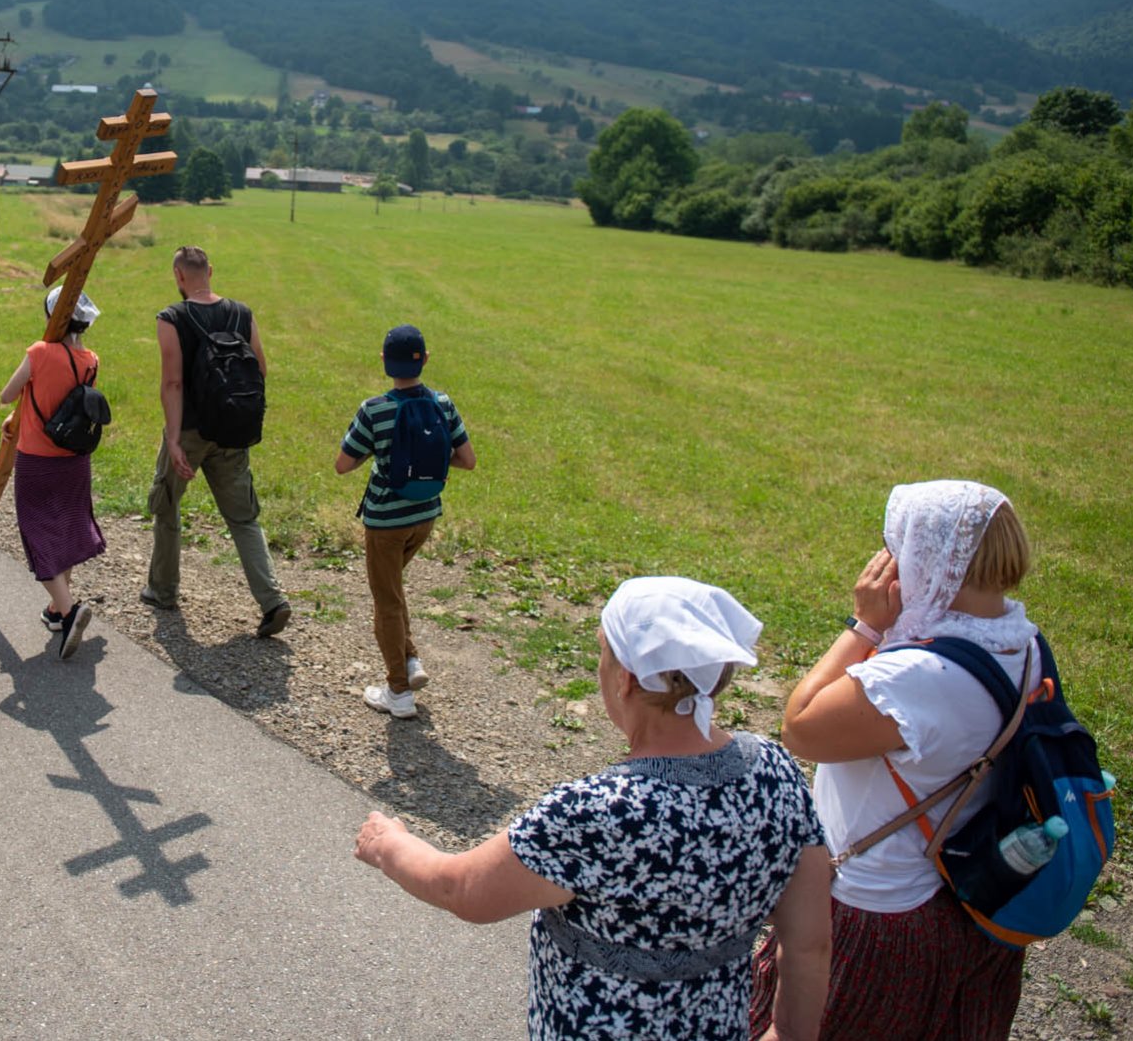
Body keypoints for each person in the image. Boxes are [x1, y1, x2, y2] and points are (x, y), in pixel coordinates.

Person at [354, 576, 831, 1041]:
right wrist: (788, 1031)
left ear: (625, 679)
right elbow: (809, 940)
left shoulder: (597, 813)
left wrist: (389, 845)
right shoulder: (774, 771)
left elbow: (463, 890)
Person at [752, 481, 1041, 1041]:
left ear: (923, 560)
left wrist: (865, 625)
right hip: (963, 895)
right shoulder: (1021, 642)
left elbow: (800, 726)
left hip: (878, 911)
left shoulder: (914, 679)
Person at [144, 245, 290, 638]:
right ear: (210, 270)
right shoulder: (242, 313)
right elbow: (259, 367)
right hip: (232, 432)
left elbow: (173, 382)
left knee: (168, 505)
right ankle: (272, 599)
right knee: (243, 519)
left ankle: (163, 590)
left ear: (178, 276)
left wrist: (174, 440)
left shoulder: (171, 318)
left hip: (190, 431)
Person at [334, 324, 475, 718]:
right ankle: (410, 661)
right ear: (425, 359)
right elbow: (467, 460)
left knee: (386, 602)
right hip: (425, 516)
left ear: (383, 361)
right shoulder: (443, 403)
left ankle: (398, 692)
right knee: (393, 592)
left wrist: (387, 456)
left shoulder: (374, 409)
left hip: (385, 523)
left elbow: (343, 465)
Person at [0, 286, 102, 660]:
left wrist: (17, 407)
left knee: (38, 533)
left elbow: (8, 394)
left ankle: (70, 612)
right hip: (74, 459)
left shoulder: (39, 353)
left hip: (37, 461)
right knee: (66, 527)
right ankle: (57, 610)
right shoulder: (91, 359)